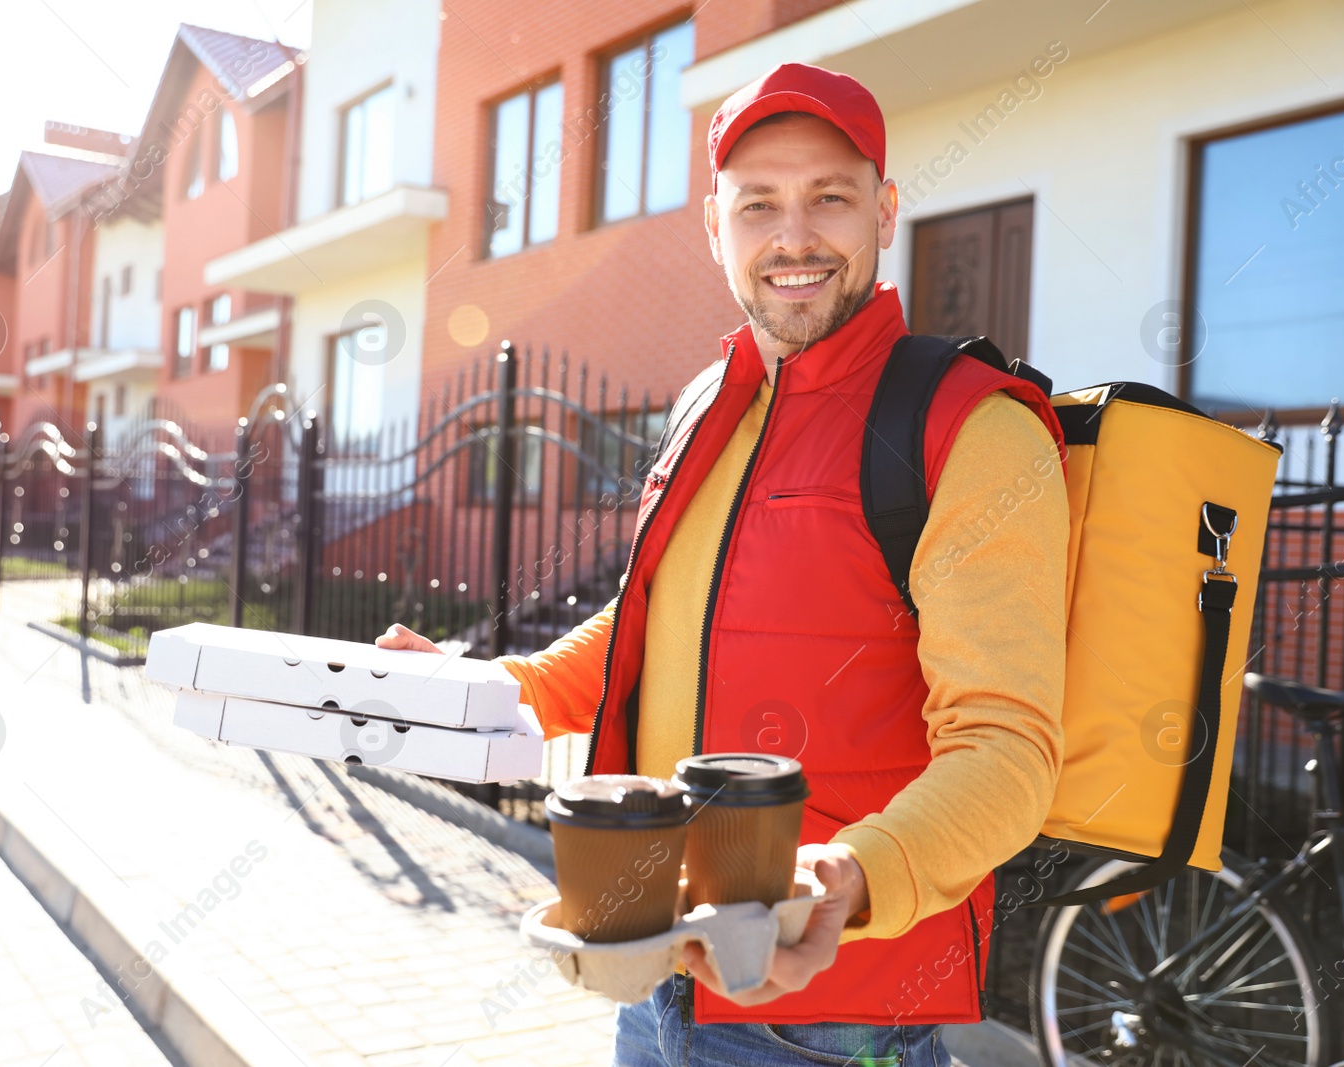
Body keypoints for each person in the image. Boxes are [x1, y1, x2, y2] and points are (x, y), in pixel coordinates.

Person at [379, 62, 1069, 1067]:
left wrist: (850, 876)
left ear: (882, 208)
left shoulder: (968, 425)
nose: (794, 236)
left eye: (828, 197)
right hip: (655, 968)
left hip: (828, 1015)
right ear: (715, 227)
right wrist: (489, 686)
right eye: (758, 206)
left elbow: (1007, 750)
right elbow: (656, 625)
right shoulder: (711, 402)